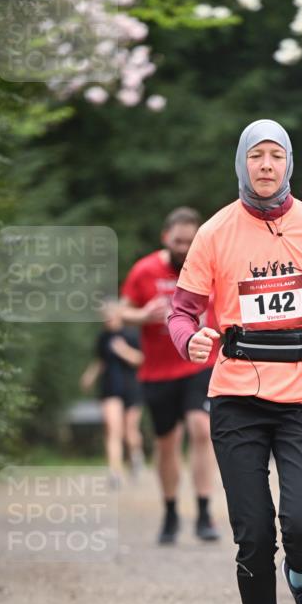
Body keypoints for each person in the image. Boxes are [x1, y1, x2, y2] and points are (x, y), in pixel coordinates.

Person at [167, 119, 302, 604]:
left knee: (301, 523)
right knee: (252, 532)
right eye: (256, 156)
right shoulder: (216, 232)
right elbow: (182, 311)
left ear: (288, 164)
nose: (266, 166)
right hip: (236, 399)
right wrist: (190, 339)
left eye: (276, 156)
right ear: (242, 163)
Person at [119, 207, 220, 544]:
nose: (184, 248)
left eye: (190, 242)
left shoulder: (209, 266)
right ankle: (171, 511)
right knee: (167, 443)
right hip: (159, 371)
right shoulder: (144, 270)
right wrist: (142, 316)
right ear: (166, 238)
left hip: (200, 363)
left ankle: (205, 513)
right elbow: (119, 313)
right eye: (178, 241)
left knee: (201, 430)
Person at [79, 301, 144, 487]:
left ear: (118, 316)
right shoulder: (102, 338)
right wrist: (89, 376)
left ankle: (135, 455)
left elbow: (140, 360)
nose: (107, 320)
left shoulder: (131, 335)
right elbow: (100, 361)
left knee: (129, 432)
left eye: (110, 315)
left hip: (131, 387)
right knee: (112, 429)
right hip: (109, 387)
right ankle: (115, 472)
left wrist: (123, 351)